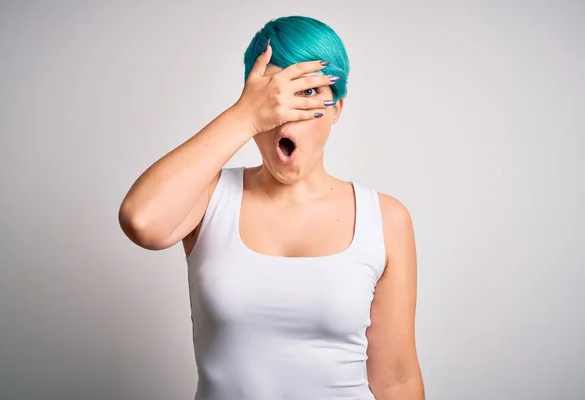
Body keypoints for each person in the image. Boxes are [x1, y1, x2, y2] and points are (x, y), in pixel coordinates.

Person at [118, 15, 424, 400]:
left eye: (309, 93)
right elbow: (141, 220)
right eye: (273, 96)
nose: (286, 114)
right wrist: (244, 115)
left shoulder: (385, 219)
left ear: (337, 109)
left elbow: (396, 380)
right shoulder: (210, 198)